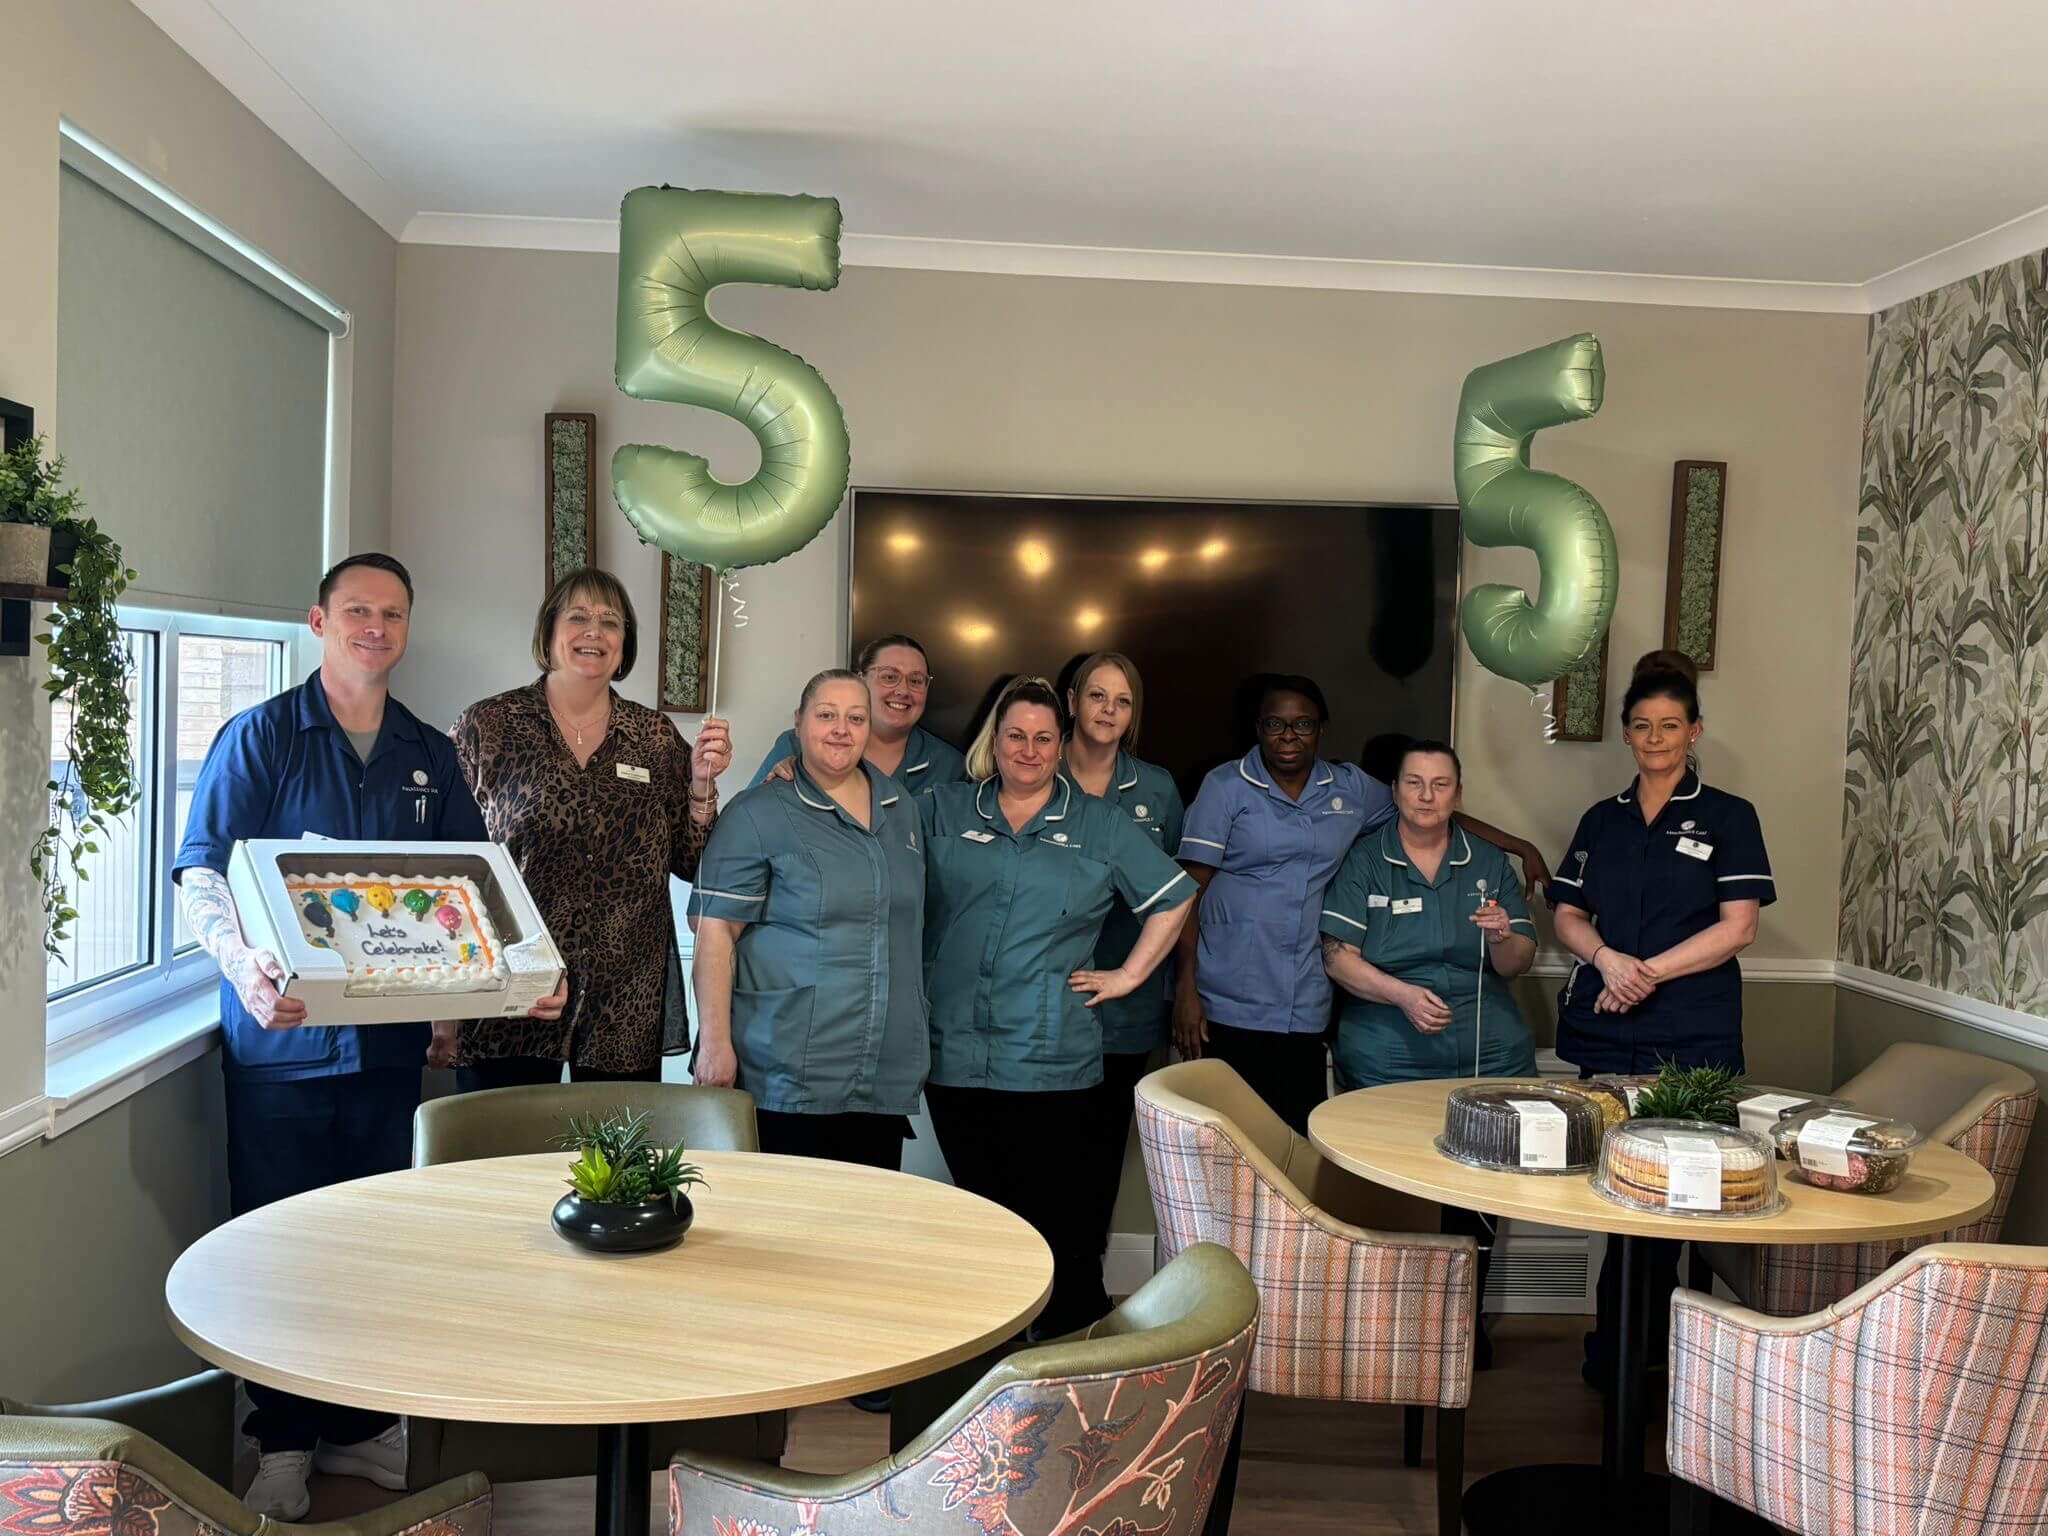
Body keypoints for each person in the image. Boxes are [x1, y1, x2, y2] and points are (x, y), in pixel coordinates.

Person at [174, 553, 562, 1519]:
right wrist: (245, 973)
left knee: (374, 1245)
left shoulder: (428, 753)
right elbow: (199, 876)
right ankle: (283, 1440)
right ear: (318, 620)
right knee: (279, 1246)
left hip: (387, 1053)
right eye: (357, 610)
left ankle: (358, 1425)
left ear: (406, 627)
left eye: (392, 614)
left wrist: (483, 995)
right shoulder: (259, 738)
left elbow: (468, 891)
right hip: (282, 1050)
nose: (374, 628)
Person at [921, 676, 1194, 1337]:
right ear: (996, 738)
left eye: (1044, 737)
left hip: (1051, 1054)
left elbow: (1176, 895)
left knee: (1055, 1216)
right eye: (1015, 734)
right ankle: (993, 1352)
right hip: (954, 1050)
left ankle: (1060, 1352)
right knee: (985, 1210)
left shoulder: (1099, 825)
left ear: (1060, 743)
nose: (1029, 748)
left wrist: (1129, 975)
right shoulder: (942, 809)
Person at [1549, 650, 1774, 1386]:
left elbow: (1738, 927)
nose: (1656, 737)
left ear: (1695, 731)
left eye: (1670, 725)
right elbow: (1568, 914)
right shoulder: (1601, 820)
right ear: (1626, 734)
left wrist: (1644, 974)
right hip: (1609, 1030)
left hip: (1691, 1034)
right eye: (1642, 725)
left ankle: (1654, 1364)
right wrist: (1608, 961)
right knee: (1615, 1196)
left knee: (1675, 1204)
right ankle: (1618, 1357)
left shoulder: (1729, 817)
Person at [440, 566, 732, 1085]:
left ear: (625, 646)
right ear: (549, 633)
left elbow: (694, 863)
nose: (594, 632)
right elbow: (452, 867)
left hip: (624, 996)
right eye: (578, 617)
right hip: (515, 988)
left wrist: (702, 786)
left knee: (618, 1163)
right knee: (509, 1159)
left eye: (610, 622)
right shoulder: (488, 726)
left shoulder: (655, 738)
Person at [1319, 740, 1538, 1367]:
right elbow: (1338, 959)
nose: (1426, 795)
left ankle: (1466, 1327)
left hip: (1483, 1046)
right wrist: (1401, 996)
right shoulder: (1366, 860)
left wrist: (1502, 937)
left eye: (1440, 785)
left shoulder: (1489, 863)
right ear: (1396, 791)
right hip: (1388, 1042)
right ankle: (1399, 1328)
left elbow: (1518, 963)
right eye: (1414, 783)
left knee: (1479, 1194)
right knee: (1397, 1189)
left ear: (1457, 795)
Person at [689, 669, 926, 1171]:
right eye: (826, 715)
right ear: (797, 724)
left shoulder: (899, 808)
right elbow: (714, 933)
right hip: (783, 1068)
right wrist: (713, 1046)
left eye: (856, 718)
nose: (841, 729)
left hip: (879, 1070)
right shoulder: (757, 812)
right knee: (780, 1232)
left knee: (862, 1228)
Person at [1172, 675, 1393, 1133]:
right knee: (1227, 1152)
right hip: (1224, 1004)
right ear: (1258, 728)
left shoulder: (1349, 788)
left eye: (1302, 724)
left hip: (1304, 1004)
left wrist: (1518, 846)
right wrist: (1185, 991)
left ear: (1321, 728)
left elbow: (1423, 805)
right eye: (1275, 724)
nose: (1289, 736)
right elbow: (1186, 894)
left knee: (1293, 1147)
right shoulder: (1227, 786)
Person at [1061, 651, 1184, 1309]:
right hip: (1044, 1001)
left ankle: (1084, 1289)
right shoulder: (1032, 768)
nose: (1109, 711)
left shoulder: (1157, 788)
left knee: (1101, 1157)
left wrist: (1164, 981)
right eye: (1098, 696)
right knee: (1043, 1154)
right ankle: (1037, 1290)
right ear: (1073, 700)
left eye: (1124, 701)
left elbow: (1182, 894)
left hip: (1126, 1005)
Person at [747, 633, 966, 793]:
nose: (903, 690)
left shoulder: (951, 767)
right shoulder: (799, 744)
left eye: (916, 680)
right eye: (889, 677)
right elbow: (745, 826)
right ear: (860, 680)